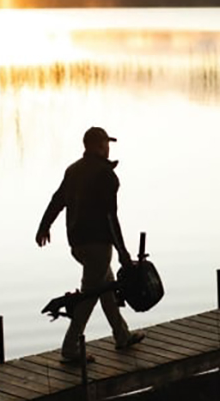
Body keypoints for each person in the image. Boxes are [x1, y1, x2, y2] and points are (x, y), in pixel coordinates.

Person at [35, 126, 145, 364]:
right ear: (96, 146)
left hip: (77, 244)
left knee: (104, 287)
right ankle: (70, 347)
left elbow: (57, 200)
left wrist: (44, 226)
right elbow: (110, 217)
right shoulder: (106, 175)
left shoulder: (73, 170)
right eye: (106, 144)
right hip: (97, 244)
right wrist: (123, 252)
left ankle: (122, 335)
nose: (108, 148)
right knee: (90, 295)